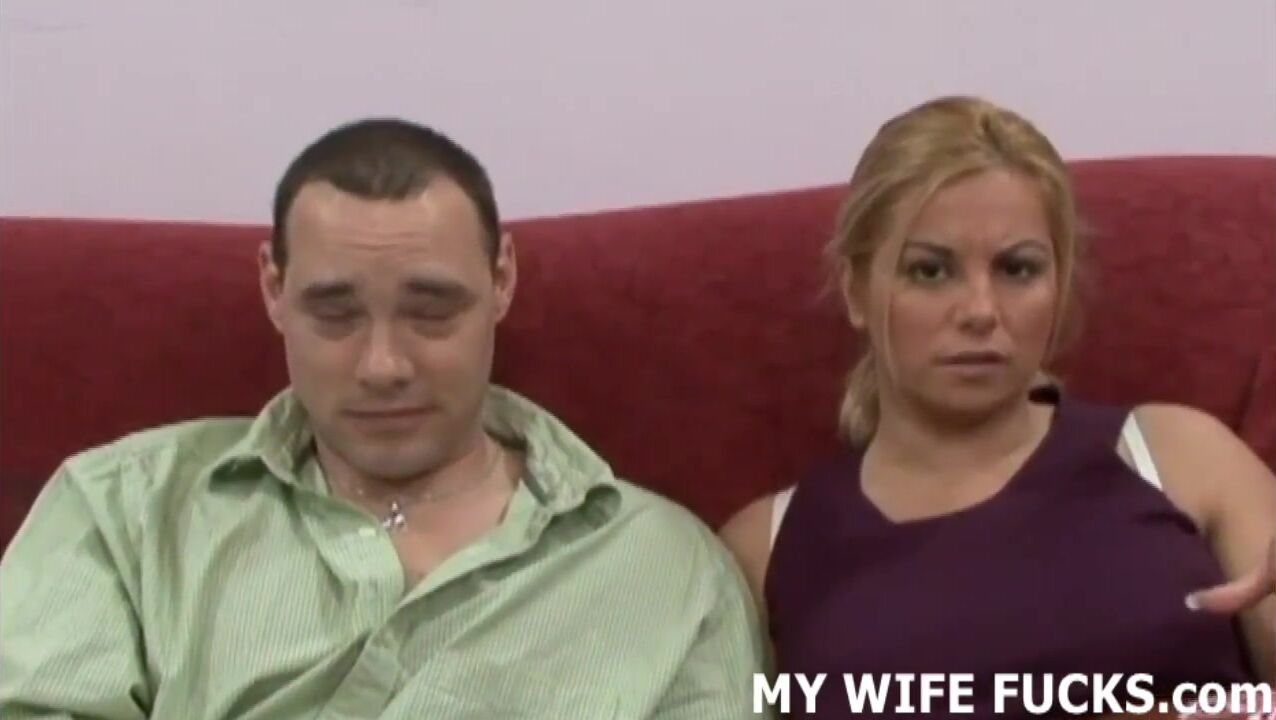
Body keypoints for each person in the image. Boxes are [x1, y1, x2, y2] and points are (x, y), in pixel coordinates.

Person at [0, 118, 769, 718]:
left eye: (431, 312)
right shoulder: (125, 511)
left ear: (502, 279)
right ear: (273, 289)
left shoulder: (668, 569)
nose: (383, 366)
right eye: (335, 315)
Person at [720, 96, 1276, 719]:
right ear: (856, 290)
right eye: (930, 272)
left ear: (1060, 286)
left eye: (1017, 269)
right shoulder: (765, 549)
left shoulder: (1178, 455)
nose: (981, 311)